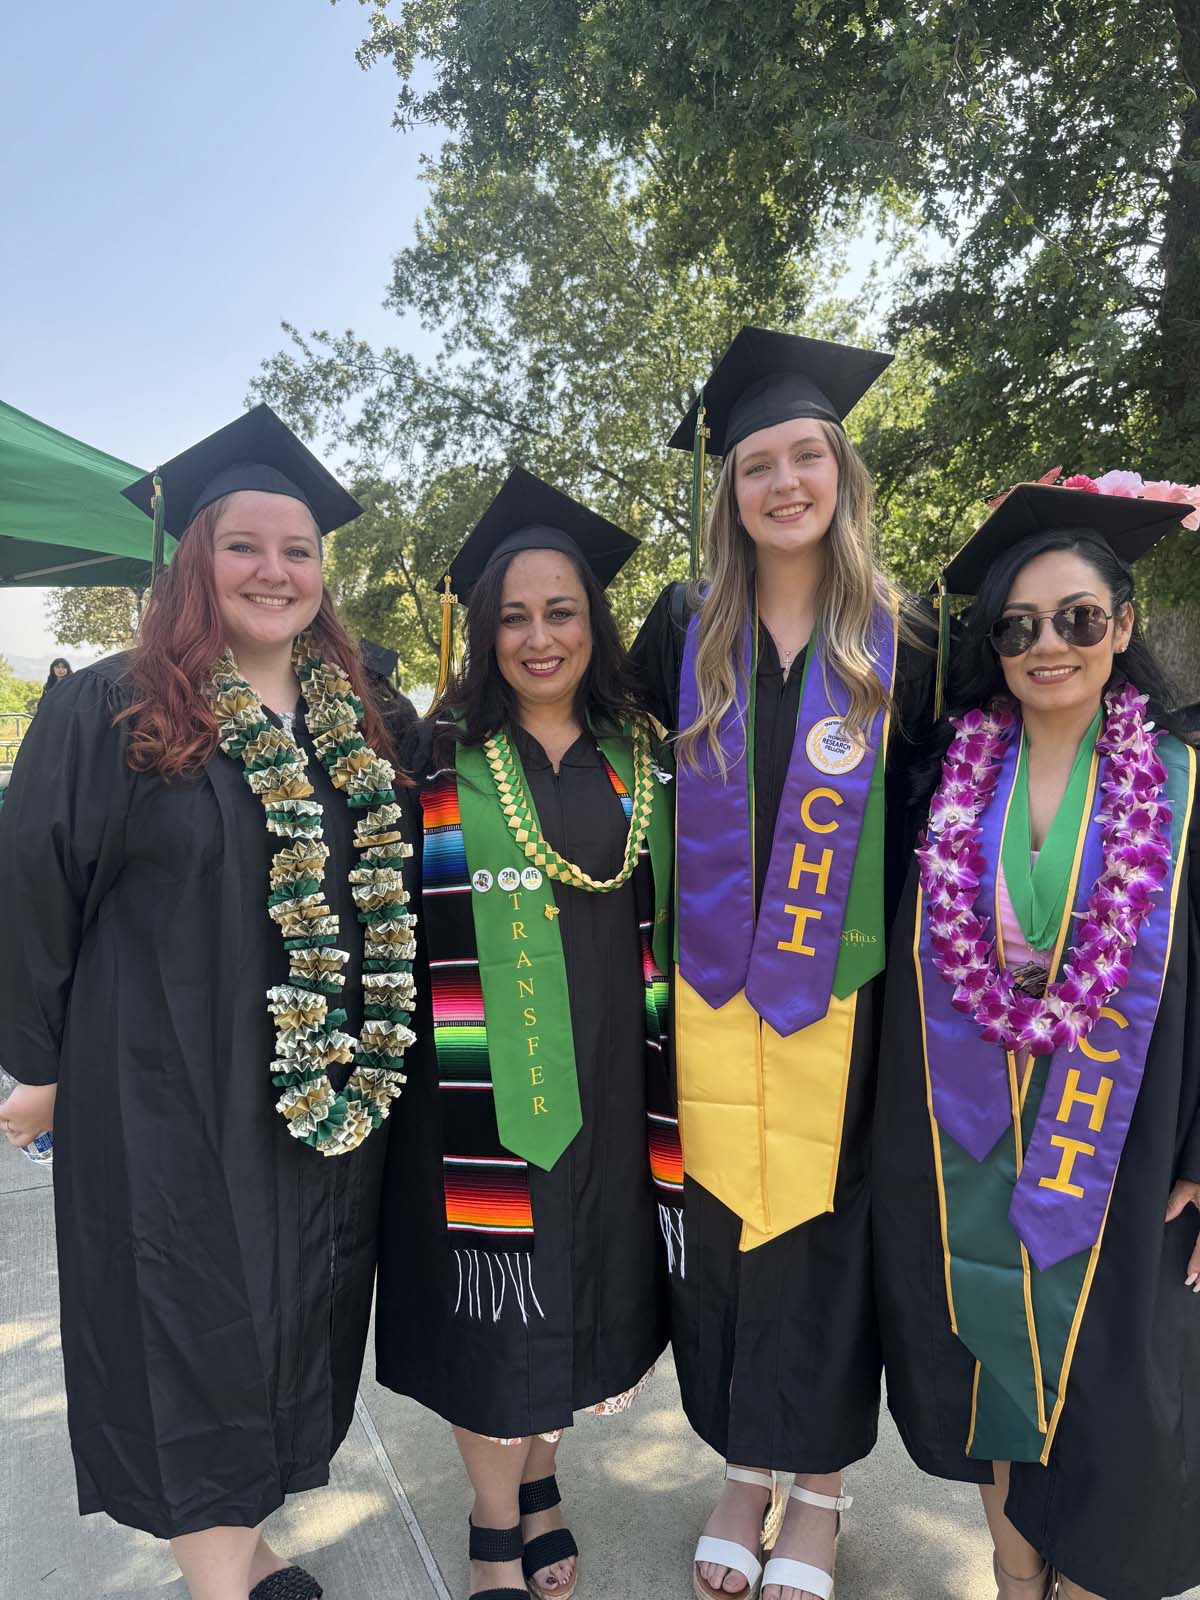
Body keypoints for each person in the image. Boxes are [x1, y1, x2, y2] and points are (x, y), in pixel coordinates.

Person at [0, 404, 418, 1600]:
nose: (274, 571)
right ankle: (217, 1583)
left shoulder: (361, 718)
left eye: (298, 549)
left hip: (313, 1089)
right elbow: (32, 892)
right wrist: (38, 1069)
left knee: (291, 1322)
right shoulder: (112, 709)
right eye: (244, 545)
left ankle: (245, 1544)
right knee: (183, 1330)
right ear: (195, 558)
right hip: (161, 1093)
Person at [631, 327, 934, 1600]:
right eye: (757, 463)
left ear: (841, 471)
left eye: (806, 455)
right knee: (726, 1227)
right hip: (712, 996)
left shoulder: (909, 639)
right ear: (730, 490)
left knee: (829, 1224)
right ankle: (742, 1466)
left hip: (848, 1005)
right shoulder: (680, 629)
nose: (784, 482)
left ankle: (818, 1487)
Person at [873, 482, 1200, 1600]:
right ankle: (1014, 1578)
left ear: (1123, 623)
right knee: (993, 1369)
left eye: (1078, 618)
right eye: (1018, 627)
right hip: (971, 1133)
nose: (1048, 644)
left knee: (1119, 1393)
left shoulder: (1183, 783)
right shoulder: (947, 780)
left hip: (1128, 1138)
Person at [375, 467, 679, 1600]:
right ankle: (494, 1518)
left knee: (583, 1291)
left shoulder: (641, 755)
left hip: (611, 1082)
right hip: (473, 1095)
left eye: (561, 611)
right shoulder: (433, 757)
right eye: (514, 616)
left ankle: (543, 1479)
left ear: (594, 622)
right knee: (493, 1308)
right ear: (484, 633)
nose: (539, 637)